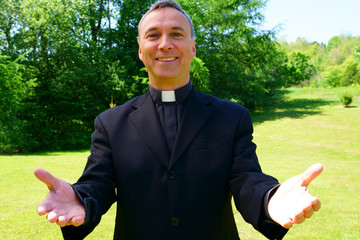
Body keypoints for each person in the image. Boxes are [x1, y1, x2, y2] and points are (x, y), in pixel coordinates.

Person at [34, 1, 323, 239]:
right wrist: (79, 199)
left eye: (176, 34)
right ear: (140, 51)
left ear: (193, 48)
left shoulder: (231, 117)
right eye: (152, 35)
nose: (164, 44)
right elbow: (96, 185)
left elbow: (248, 181)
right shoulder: (112, 123)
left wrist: (270, 199)